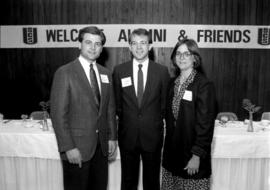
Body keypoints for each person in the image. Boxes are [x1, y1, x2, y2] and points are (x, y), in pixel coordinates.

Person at [50, 26, 117, 190]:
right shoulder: (64, 72)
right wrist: (68, 147)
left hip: (101, 150)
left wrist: (112, 137)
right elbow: (58, 115)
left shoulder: (106, 73)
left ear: (102, 48)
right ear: (79, 44)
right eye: (88, 42)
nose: (93, 47)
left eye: (98, 44)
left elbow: (109, 109)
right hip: (76, 150)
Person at [113, 28, 170, 190]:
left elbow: (164, 106)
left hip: (152, 136)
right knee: (128, 182)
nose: (139, 47)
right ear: (129, 47)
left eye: (143, 43)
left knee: (152, 183)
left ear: (150, 46)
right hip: (127, 136)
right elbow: (117, 105)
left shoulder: (161, 72)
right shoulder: (119, 71)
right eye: (134, 43)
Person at [161, 38, 217, 190]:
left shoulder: (203, 85)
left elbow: (205, 125)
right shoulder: (172, 84)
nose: (182, 57)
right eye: (178, 54)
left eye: (186, 53)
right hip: (171, 157)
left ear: (195, 57)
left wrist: (197, 155)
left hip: (191, 157)